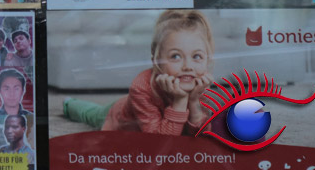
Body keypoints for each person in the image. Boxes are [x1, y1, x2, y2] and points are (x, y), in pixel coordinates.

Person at [63, 10, 216, 133]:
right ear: (156, 60)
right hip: (119, 115)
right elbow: (162, 143)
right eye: (176, 56)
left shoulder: (200, 84)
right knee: (91, 114)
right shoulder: (142, 87)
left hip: (140, 107)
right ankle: (69, 104)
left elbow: (201, 137)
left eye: (197, 56)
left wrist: (194, 103)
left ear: (207, 60)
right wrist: (180, 100)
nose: (188, 66)